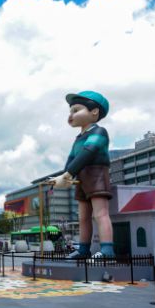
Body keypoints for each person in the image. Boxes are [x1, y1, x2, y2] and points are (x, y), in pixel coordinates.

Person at [50, 91, 114, 259]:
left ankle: (107, 249)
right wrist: (67, 174)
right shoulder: (79, 137)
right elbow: (72, 158)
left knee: (100, 213)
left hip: (96, 174)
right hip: (80, 177)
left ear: (94, 112)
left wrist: (68, 174)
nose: (71, 115)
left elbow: (89, 152)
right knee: (83, 217)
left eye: (76, 110)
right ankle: (84, 249)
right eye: (70, 111)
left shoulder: (99, 132)